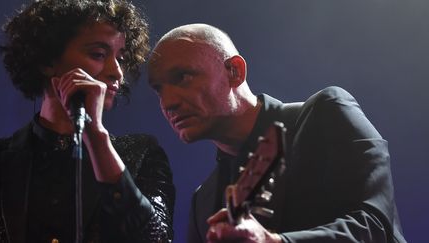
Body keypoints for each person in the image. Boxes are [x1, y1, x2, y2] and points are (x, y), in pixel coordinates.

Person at [147, 23, 406, 243]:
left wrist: (274, 241)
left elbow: (376, 226)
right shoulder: (202, 202)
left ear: (234, 71)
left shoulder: (326, 113)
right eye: (159, 89)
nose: (168, 102)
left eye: (183, 77)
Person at [0, 0, 175, 242]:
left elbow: (158, 238)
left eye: (121, 59)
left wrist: (94, 134)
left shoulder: (143, 154)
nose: (117, 72)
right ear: (47, 60)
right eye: (98, 54)